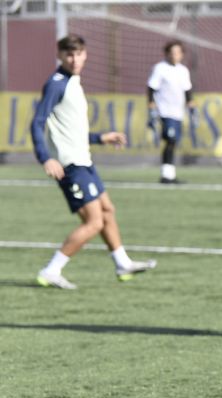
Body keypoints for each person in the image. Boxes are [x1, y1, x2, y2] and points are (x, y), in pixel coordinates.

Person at [31, 34, 157, 290]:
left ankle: (122, 262)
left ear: (86, 55)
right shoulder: (56, 84)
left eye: (78, 54)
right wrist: (46, 158)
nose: (74, 59)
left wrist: (101, 137)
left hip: (84, 161)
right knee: (94, 222)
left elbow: (72, 130)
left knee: (108, 210)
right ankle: (52, 270)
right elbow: (37, 122)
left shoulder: (74, 81)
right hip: (70, 165)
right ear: (60, 55)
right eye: (69, 54)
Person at [147, 40, 196, 184]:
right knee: (171, 139)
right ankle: (166, 175)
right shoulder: (160, 68)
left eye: (178, 53)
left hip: (177, 112)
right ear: (167, 53)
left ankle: (170, 175)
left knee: (173, 142)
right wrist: (151, 105)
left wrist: (191, 104)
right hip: (164, 111)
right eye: (172, 52)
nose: (175, 55)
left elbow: (187, 90)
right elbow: (151, 87)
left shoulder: (183, 70)